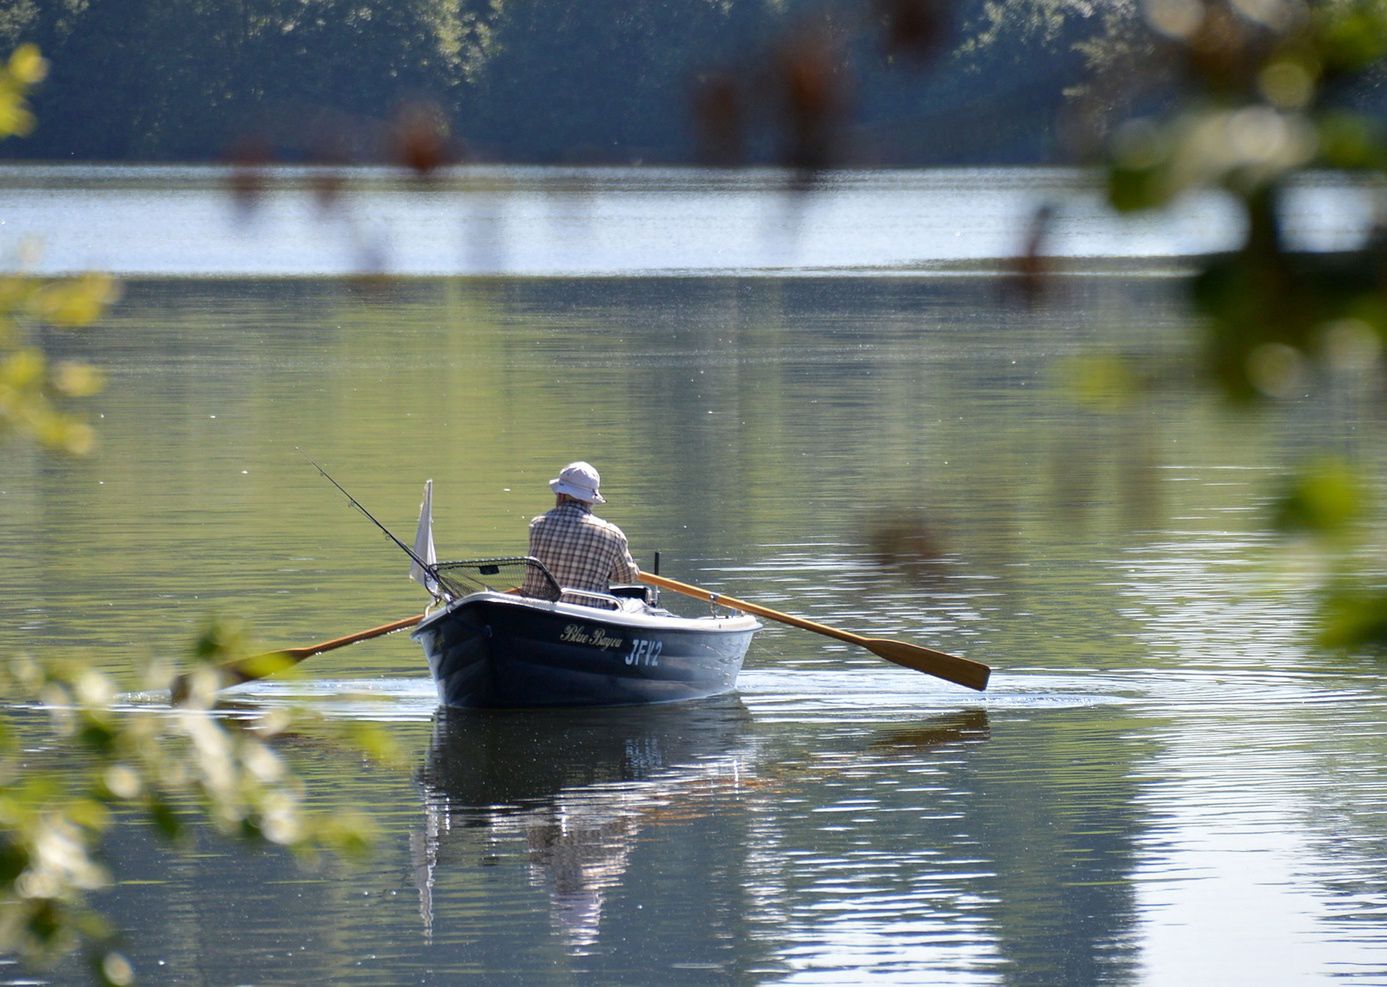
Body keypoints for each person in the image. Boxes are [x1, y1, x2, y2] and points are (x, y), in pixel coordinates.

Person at [521, 461, 640, 606]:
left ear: (561, 495)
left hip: (538, 612)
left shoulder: (537, 525)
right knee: (637, 604)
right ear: (591, 500)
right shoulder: (612, 535)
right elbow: (627, 577)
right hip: (587, 615)